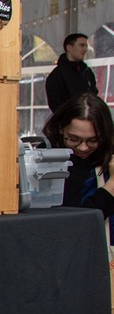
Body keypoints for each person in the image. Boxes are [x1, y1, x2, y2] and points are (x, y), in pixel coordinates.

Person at [42, 95, 114, 224]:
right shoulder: (45, 159)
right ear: (61, 128)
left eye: (93, 140)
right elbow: (74, 224)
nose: (83, 147)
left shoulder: (109, 158)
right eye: (73, 139)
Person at [45, 33, 99, 112]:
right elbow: (56, 104)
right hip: (68, 121)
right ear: (69, 48)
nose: (85, 49)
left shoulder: (87, 72)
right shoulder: (57, 75)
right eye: (81, 45)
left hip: (88, 118)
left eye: (86, 46)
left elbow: (94, 95)